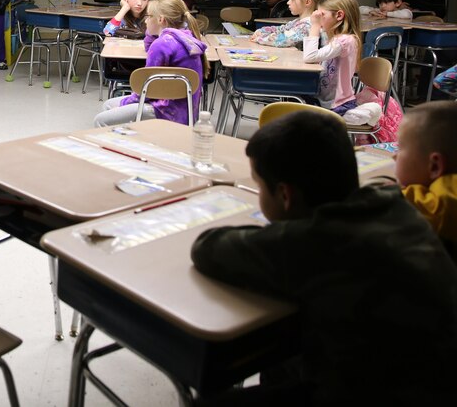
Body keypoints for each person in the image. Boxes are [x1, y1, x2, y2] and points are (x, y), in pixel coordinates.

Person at [191, 111, 457, 405]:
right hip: (436, 377)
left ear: (285, 196)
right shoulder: (397, 205)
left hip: (389, 393)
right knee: (285, 361)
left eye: (259, 186)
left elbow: (208, 248)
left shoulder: (318, 241)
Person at [93, 0, 206, 127]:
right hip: (184, 111)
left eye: (148, 16)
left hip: (164, 111)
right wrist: (152, 32)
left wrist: (126, 102)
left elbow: (146, 90)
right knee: (109, 105)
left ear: (160, 19)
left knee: (100, 120)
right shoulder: (186, 38)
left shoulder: (161, 44)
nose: (145, 21)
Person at [395, 101, 457, 256]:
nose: (394, 156)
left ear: (435, 166)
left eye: (400, 148)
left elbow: (394, 203)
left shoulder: (444, 204)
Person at [303, 0, 361, 114]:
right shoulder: (335, 37)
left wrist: (315, 26)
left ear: (339, 15)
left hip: (337, 105)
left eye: (322, 14)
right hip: (325, 100)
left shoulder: (345, 41)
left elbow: (310, 57)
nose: (318, 18)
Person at [250, 0, 325, 48]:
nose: (288, 2)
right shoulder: (297, 22)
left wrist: (259, 38)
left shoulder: (307, 25)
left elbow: (283, 40)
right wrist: (261, 31)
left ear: (307, 2)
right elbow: (280, 29)